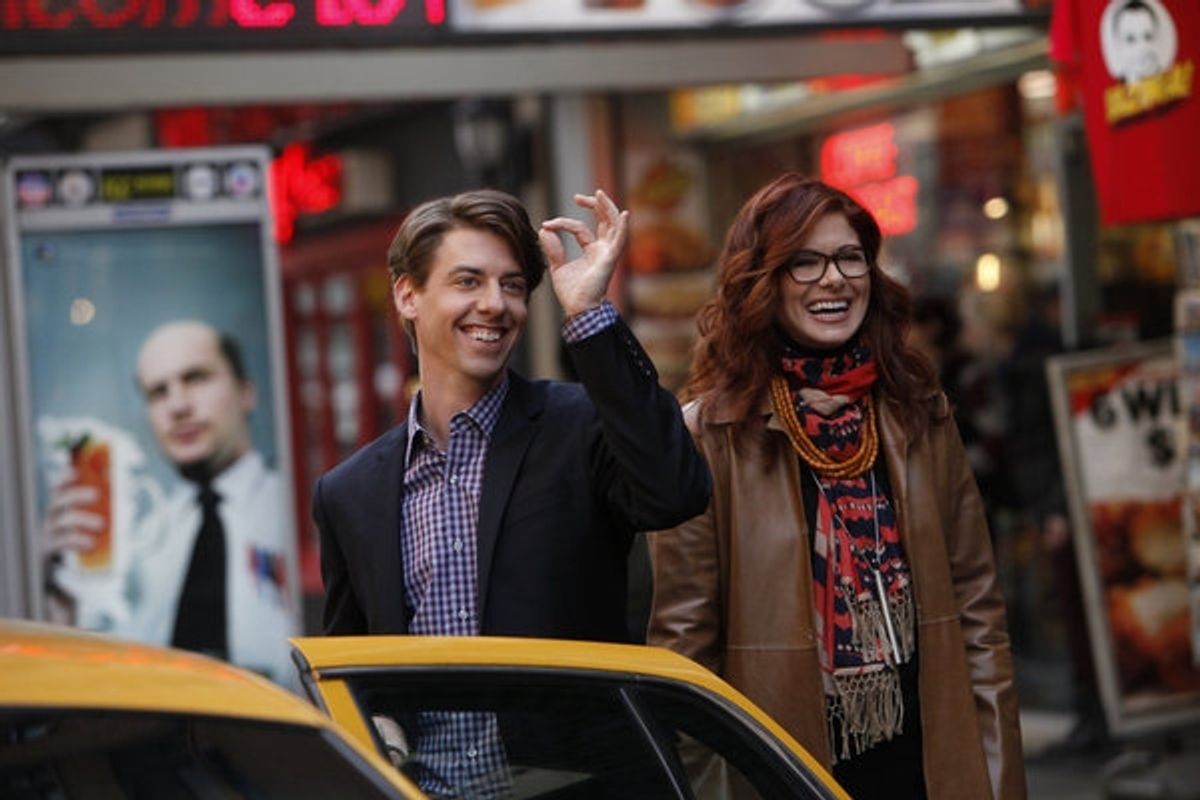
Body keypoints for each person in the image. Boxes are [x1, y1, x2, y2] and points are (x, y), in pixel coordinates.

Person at [313, 188, 710, 795]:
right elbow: (352, 671)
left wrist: (590, 316)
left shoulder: (578, 428)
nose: (495, 305)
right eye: (468, 281)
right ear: (407, 294)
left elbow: (675, 491)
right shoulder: (350, 493)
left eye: (514, 285)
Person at [647, 174, 1025, 800]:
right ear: (762, 281)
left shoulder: (919, 413)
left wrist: (1000, 774)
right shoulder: (708, 436)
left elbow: (980, 615)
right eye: (805, 262)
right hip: (786, 772)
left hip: (927, 766)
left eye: (850, 258)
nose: (834, 279)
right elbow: (686, 657)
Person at [41, 320, 300, 684]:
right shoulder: (142, 541)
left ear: (246, 393)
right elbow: (105, 675)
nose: (177, 406)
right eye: (158, 393)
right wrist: (61, 596)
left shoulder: (298, 511)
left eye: (196, 378)